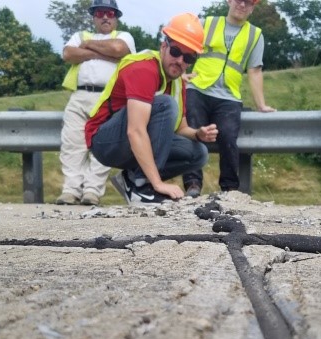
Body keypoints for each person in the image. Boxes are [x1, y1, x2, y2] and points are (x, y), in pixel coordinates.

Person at [85, 13, 218, 205]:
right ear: (164, 46)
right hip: (104, 140)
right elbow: (135, 130)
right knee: (165, 104)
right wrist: (158, 183)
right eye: (175, 52)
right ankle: (142, 186)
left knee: (198, 153)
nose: (180, 60)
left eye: (188, 57)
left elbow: (181, 129)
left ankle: (131, 180)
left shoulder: (178, 83)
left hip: (129, 140)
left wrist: (198, 134)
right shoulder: (144, 69)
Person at [181, 0, 276, 198]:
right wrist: (180, 75)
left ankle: (230, 189)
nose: (243, 5)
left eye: (249, 3)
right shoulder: (208, 23)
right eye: (239, 0)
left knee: (228, 136)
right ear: (229, 1)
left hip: (229, 96)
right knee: (192, 130)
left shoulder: (255, 35)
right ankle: (192, 184)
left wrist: (261, 105)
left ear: (253, 7)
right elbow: (182, 46)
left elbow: (255, 70)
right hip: (198, 88)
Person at [56, 0, 135, 206]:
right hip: (79, 96)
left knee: (102, 145)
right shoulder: (79, 35)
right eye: (100, 13)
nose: (105, 17)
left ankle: (92, 191)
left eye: (110, 13)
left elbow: (119, 48)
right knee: (72, 144)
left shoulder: (123, 36)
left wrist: (89, 48)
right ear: (94, 16)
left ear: (116, 17)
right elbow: (68, 54)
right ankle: (70, 190)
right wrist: (105, 53)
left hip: (108, 98)